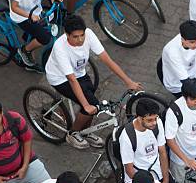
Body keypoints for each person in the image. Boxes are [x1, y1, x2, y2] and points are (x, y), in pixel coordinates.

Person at [45, 14, 142, 149]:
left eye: (82, 35)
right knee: (90, 104)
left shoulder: (89, 34)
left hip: (80, 72)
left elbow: (107, 60)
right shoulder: (59, 47)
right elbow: (72, 80)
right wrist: (85, 105)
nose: (80, 40)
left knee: (92, 102)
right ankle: (73, 133)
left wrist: (128, 81)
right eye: (75, 36)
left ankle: (86, 132)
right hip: (60, 78)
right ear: (67, 35)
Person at [119, 98, 169, 183]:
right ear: (139, 118)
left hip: (158, 173)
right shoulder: (127, 137)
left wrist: (166, 180)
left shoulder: (158, 123)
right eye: (149, 120)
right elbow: (129, 170)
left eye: (155, 118)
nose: (154, 123)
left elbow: (162, 152)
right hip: (139, 179)